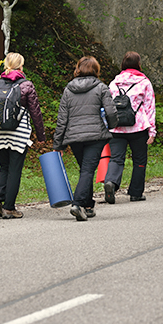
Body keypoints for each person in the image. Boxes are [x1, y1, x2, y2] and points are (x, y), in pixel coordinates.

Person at [54, 56, 118, 221]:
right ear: (96, 70)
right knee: (88, 170)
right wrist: (111, 126)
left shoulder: (68, 89)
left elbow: (62, 119)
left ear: (78, 69)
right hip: (95, 136)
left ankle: (88, 205)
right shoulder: (101, 87)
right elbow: (111, 112)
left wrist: (58, 144)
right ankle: (77, 204)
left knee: (85, 169)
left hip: (74, 138)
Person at [0, 52, 46, 219]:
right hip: (18, 133)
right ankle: (9, 208)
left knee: (4, 166)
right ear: (21, 66)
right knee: (14, 169)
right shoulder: (26, 85)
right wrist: (41, 136)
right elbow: (35, 112)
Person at [105, 51, 156, 204]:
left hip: (116, 127)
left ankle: (111, 183)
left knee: (116, 158)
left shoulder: (114, 83)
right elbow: (150, 107)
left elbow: (107, 105)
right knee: (139, 159)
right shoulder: (144, 82)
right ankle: (136, 193)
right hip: (138, 127)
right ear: (138, 64)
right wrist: (152, 130)